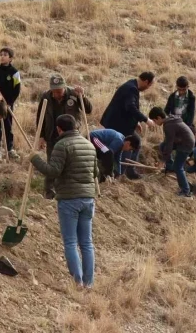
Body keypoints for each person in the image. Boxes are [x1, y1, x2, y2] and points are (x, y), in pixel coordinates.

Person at [30, 115, 98, 288]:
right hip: (89, 198)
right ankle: (89, 283)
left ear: (59, 129)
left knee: (70, 242)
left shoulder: (62, 145)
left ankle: (77, 282)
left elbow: (53, 171)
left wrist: (35, 159)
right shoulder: (89, 144)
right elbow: (96, 172)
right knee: (87, 243)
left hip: (69, 199)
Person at [37, 75, 92, 197]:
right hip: (52, 134)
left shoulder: (74, 94)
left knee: (70, 162)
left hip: (71, 136)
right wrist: (41, 136)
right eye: (54, 91)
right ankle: (49, 190)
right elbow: (40, 117)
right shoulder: (46, 96)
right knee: (52, 163)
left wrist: (82, 96)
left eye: (59, 91)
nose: (56, 94)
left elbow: (88, 110)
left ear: (64, 87)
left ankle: (67, 188)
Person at [100, 72, 156, 179]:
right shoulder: (131, 89)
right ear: (146, 81)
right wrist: (145, 119)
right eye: (149, 85)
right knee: (129, 145)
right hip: (117, 124)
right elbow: (130, 106)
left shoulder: (131, 85)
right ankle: (121, 174)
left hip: (119, 122)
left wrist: (136, 122)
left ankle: (126, 172)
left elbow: (128, 107)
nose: (148, 88)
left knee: (134, 142)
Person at [149, 107, 195, 197]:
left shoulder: (169, 125)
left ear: (158, 117)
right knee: (162, 146)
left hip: (186, 145)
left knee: (178, 167)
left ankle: (186, 191)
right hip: (182, 141)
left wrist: (162, 161)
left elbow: (169, 145)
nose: (154, 123)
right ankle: (170, 167)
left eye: (154, 121)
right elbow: (167, 142)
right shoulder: (170, 120)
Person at [0, 47, 22, 160]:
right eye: (1, 54)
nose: (2, 56)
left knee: (8, 125)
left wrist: (10, 103)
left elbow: (17, 89)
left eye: (5, 54)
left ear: (10, 58)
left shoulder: (14, 72)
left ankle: (10, 149)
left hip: (8, 104)